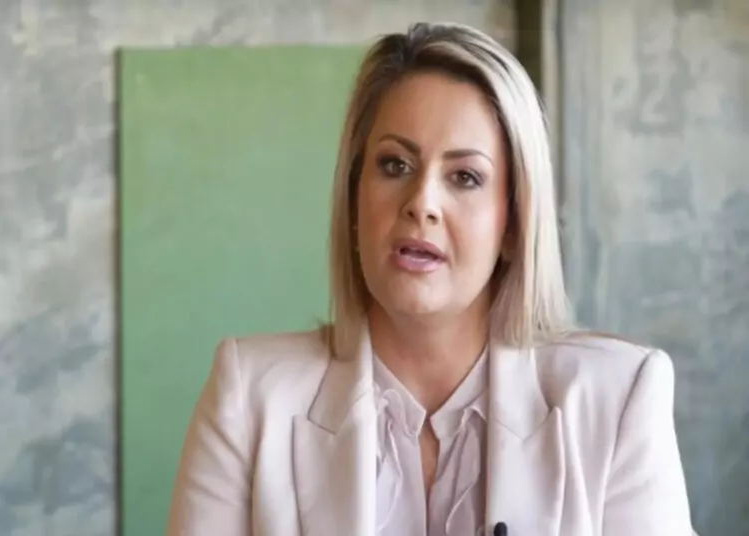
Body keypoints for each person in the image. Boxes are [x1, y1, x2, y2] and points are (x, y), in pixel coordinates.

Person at [166, 22, 694, 536]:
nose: (422, 203)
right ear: (354, 201)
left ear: (514, 224)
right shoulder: (249, 397)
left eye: (465, 177)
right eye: (395, 165)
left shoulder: (618, 398)